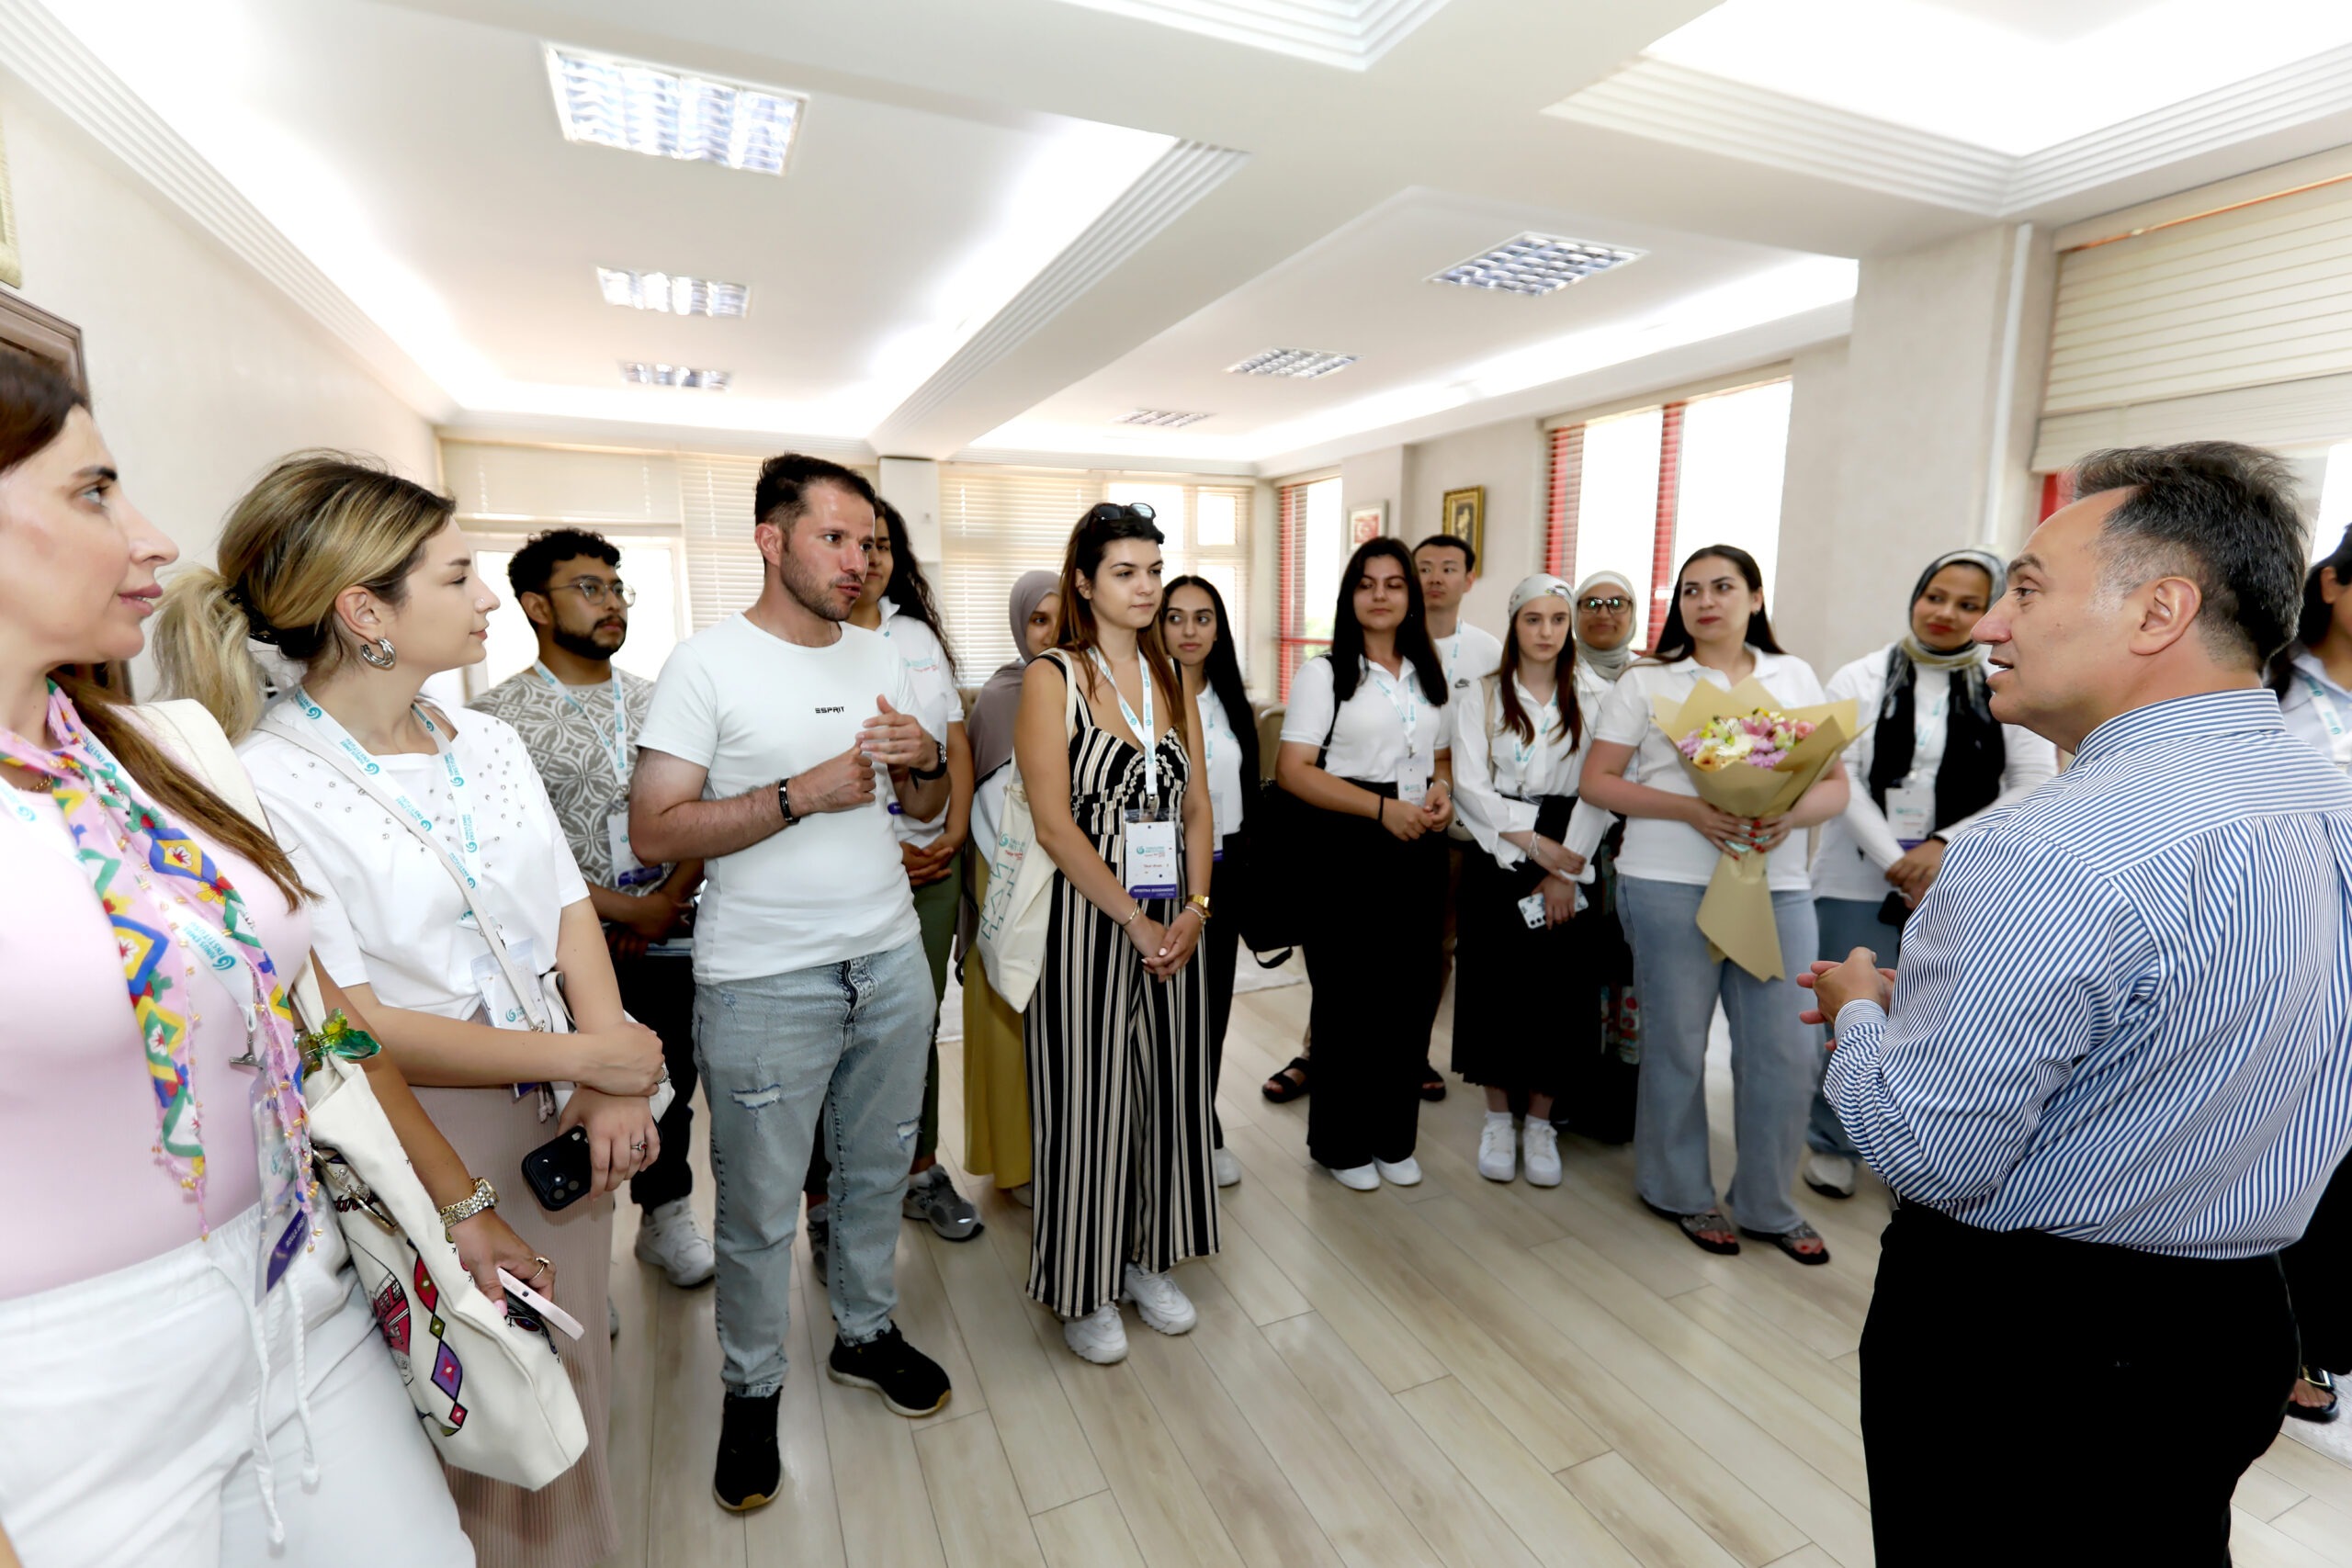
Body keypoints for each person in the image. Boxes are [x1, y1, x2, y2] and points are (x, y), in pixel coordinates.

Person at [1, 354, 513, 1564]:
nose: (152, 537)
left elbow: (315, 1017)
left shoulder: (167, 749)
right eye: (93, 492)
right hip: (64, 1381)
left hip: (296, 1288)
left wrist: (454, 1199)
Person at [1807, 443, 2352, 1565]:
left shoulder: (2045, 848)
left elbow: (1930, 1149)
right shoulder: (2327, 800)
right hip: (2237, 1321)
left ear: (2159, 611)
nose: (1990, 624)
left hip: (2033, 1342)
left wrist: (1863, 1014)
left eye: (2026, 588)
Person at [156, 452, 666, 1566]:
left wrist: (605, 1075)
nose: (489, 598)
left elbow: (568, 911)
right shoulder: (266, 782)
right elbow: (354, 1025)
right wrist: (590, 1059)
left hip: (563, 1107)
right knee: (491, 1422)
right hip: (429, 1128)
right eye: (457, 575)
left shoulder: (485, 739)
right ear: (364, 612)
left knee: (576, 1395)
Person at [629, 453, 953, 1512]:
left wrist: (923, 760)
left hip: (889, 958)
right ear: (771, 541)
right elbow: (655, 829)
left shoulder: (884, 652)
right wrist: (794, 795)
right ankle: (752, 1388)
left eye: (869, 543)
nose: (858, 561)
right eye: (834, 539)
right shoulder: (704, 664)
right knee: (761, 1207)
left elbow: (927, 810)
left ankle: (863, 1332)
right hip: (763, 979)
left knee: (877, 1167)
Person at [1578, 544, 1849, 1264]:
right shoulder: (1649, 680)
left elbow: (1835, 786)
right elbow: (1598, 781)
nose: (1706, 601)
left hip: (1777, 885)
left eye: (1723, 587)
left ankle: (1767, 1202)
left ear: (1755, 597)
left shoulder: (1793, 675)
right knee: (1677, 1042)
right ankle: (1676, 1188)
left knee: (1786, 1051)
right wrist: (1693, 809)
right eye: (1691, 589)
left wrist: (1787, 814)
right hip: (1667, 880)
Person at [470, 528, 715, 1288]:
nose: (611, 603)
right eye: (589, 588)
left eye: (616, 588)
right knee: (568, 1101)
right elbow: (505, 857)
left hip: (671, 926)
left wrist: (665, 901)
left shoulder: (661, 699)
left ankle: (666, 1215)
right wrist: (620, 913)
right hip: (559, 954)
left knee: (668, 1082)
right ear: (536, 606)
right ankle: (581, 1263)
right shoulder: (493, 720)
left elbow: (708, 805)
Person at [1015, 501, 1219, 1365]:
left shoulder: (1173, 676)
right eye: (1126, 572)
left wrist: (1195, 909)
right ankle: (1084, 1284)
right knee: (1087, 1104)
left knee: (1168, 1096)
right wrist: (1133, 919)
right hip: (1087, 921)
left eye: (1154, 570)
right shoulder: (1052, 677)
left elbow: (1199, 807)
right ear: (1085, 581)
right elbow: (1054, 826)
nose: (1146, 587)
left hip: (1173, 919)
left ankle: (1145, 1258)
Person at [1800, 549, 2056, 1200]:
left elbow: (2033, 778)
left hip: (1963, 882)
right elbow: (1839, 775)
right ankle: (1832, 1139)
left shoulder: (2009, 676)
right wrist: (1896, 858)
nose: (1946, 613)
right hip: (1856, 875)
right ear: (1916, 596)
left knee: (1933, 1013)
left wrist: (1944, 847)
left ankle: (1910, 1147)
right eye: (1935, 596)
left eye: (1969, 604)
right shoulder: (1858, 676)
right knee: (1845, 1003)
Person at [802, 499, 980, 1251]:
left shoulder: (917, 636)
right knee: (831, 1034)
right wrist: (889, 850)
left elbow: (953, 740)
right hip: (846, 872)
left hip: (933, 863)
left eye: (880, 545)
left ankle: (921, 1168)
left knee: (917, 1024)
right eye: (849, 542)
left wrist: (956, 830)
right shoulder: (808, 640)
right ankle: (823, 1199)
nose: (867, 558)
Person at [1276, 537, 1454, 1191]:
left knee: (1411, 994)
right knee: (1350, 997)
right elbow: (1292, 770)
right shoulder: (1324, 673)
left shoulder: (1427, 670)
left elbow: (1439, 756)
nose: (1380, 595)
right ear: (1350, 595)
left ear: (1410, 596)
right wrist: (1382, 812)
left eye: (1394, 583)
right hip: (1348, 840)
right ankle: (1341, 1142)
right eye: (1366, 583)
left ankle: (1392, 1136)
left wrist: (1442, 790)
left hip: (1419, 838)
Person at [1449, 575, 1615, 1185]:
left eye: (1557, 619)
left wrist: (1567, 867)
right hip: (1501, 849)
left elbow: (1602, 788)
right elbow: (1470, 785)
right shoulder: (1482, 693)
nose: (1546, 632)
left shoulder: (1597, 696)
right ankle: (1499, 1118)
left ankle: (1542, 1124)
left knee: (1560, 991)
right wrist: (1536, 846)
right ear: (1514, 624)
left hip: (1574, 843)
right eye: (1533, 619)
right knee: (1493, 984)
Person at [2267, 529, 2352, 1425]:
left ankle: (2321, 1332)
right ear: (2331, 582)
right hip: (2287, 945)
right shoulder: (2268, 687)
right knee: (2284, 1142)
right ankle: (2282, 1336)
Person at [958, 571, 1060, 1201]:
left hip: (1071, 876)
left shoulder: (1090, 685)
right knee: (1009, 1020)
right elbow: (989, 802)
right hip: (1008, 874)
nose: (1051, 633)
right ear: (1020, 627)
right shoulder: (1002, 697)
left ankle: (1066, 1153)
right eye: (1038, 621)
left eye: (1062, 619)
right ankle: (1018, 1164)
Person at [1162, 573, 1257, 1190]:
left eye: (1203, 617)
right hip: (1156, 874)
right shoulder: (1141, 695)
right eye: (1175, 617)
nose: (1189, 630)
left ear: (1219, 630)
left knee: (1211, 1007)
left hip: (1222, 872)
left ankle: (1202, 1122)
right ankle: (1158, 1129)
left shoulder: (1230, 701)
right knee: (1161, 1007)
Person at [1414, 532, 1503, 1103]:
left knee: (1437, 946)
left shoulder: (1489, 650)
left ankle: (1414, 1051)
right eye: (1424, 567)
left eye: (1449, 567)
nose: (1435, 578)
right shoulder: (1388, 640)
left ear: (1469, 579)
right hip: (1385, 811)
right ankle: (1317, 1049)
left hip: (1458, 822)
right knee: (1360, 940)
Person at [1555, 570, 1643, 1144]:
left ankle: (1621, 1104)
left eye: (1617, 602)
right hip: (1574, 842)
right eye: (1590, 602)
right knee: (1577, 971)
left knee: (1629, 972)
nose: (1604, 612)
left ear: (1633, 613)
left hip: (1640, 843)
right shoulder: (1555, 677)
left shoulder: (1656, 677)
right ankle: (1567, 1093)